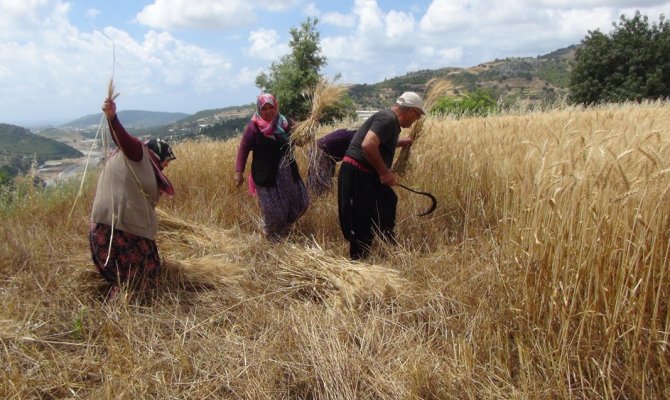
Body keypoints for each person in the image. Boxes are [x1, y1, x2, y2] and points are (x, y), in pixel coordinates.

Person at [89, 97, 176, 299]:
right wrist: (113, 118)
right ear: (157, 154)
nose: (166, 165)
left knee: (143, 273)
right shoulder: (138, 154)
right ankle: (120, 314)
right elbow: (123, 139)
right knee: (135, 278)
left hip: (114, 228)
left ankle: (122, 310)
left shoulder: (143, 167)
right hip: (116, 231)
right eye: (166, 160)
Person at [337, 91, 424, 260]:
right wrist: (385, 172)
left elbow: (378, 142)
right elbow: (368, 144)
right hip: (357, 172)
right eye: (417, 116)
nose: (416, 120)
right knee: (361, 218)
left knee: (388, 201)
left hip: (364, 172)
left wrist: (399, 143)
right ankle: (358, 263)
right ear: (411, 111)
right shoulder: (388, 119)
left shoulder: (389, 120)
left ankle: (386, 242)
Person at [234, 93, 309, 240]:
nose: (268, 111)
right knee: (274, 210)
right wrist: (238, 171)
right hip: (266, 174)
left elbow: (300, 141)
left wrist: (309, 128)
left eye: (271, 107)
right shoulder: (254, 127)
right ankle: (274, 239)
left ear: (276, 107)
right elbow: (243, 148)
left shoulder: (286, 122)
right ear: (259, 110)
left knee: (301, 202)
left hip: (288, 172)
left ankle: (284, 228)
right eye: (265, 108)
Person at [308, 128, 413, 197]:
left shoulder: (358, 135)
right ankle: (317, 203)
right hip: (319, 152)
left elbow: (376, 145)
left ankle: (318, 199)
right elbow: (370, 149)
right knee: (321, 186)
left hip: (321, 151)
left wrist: (400, 143)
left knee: (323, 183)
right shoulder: (356, 137)